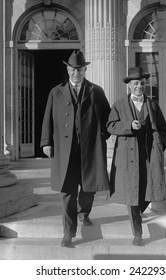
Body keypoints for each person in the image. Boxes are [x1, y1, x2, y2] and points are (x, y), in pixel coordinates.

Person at [40, 50, 111, 247]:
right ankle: (68, 232)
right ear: (67, 70)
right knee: (68, 190)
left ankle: (84, 212)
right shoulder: (56, 91)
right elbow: (47, 118)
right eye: (72, 69)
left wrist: (104, 135)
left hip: (90, 148)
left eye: (79, 70)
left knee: (89, 187)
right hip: (65, 149)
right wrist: (46, 142)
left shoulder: (96, 91)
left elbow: (108, 116)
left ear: (85, 70)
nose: (75, 73)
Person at [107, 67, 166, 246]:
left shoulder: (153, 105)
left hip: (149, 154)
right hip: (128, 155)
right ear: (129, 86)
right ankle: (138, 233)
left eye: (142, 83)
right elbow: (110, 126)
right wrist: (128, 125)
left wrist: (160, 145)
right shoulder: (119, 105)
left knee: (149, 190)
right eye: (136, 84)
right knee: (132, 195)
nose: (139, 86)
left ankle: (139, 214)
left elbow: (163, 128)